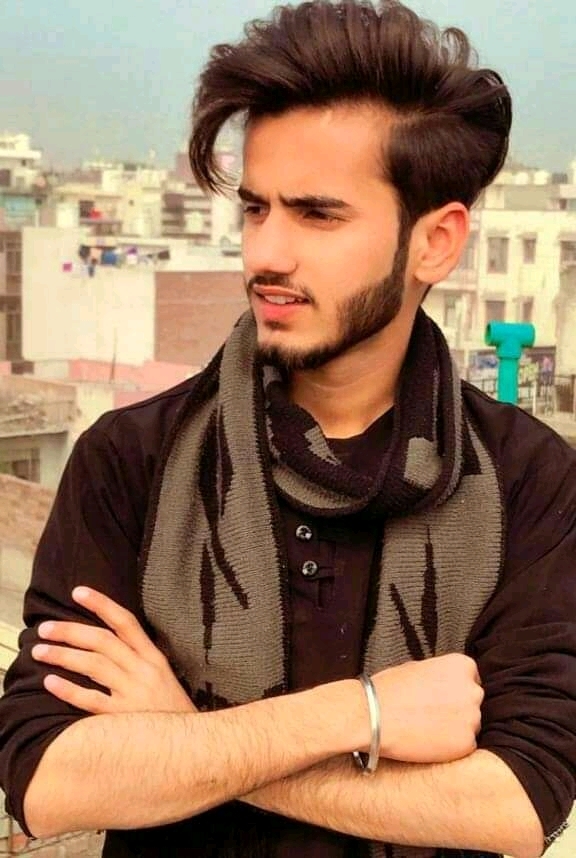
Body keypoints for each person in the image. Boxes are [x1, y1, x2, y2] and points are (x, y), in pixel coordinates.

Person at [1, 2, 575, 857]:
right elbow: (47, 779)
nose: (266, 253)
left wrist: (184, 738)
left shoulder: (525, 477)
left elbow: (521, 800)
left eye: (317, 215)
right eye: (255, 209)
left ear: (435, 242)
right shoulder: (134, 457)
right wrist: (358, 714)